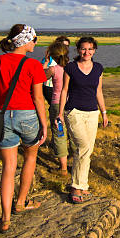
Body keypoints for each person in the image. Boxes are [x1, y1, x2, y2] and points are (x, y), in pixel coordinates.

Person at [0, 24, 48, 233]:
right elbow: (38, 98)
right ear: (25, 41)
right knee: (30, 157)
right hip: (28, 115)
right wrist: (44, 125)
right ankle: (20, 203)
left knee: (8, 167)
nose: (36, 43)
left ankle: (4, 218)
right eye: (34, 39)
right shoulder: (33, 65)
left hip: (3, 116)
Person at [58, 36, 108, 204]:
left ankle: (83, 185)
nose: (87, 52)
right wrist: (60, 113)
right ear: (78, 50)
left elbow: (99, 92)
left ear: (94, 51)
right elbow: (64, 90)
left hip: (92, 113)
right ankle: (75, 186)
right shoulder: (71, 67)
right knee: (83, 147)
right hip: (74, 111)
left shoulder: (98, 68)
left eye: (90, 49)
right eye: (83, 49)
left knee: (87, 150)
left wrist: (104, 112)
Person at [42, 41, 70, 176]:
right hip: (72, 104)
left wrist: (46, 62)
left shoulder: (54, 69)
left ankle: (63, 168)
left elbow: (38, 77)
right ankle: (76, 164)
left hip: (57, 104)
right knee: (74, 134)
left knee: (60, 135)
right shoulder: (73, 67)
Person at [41, 36, 70, 105]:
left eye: (67, 46)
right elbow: (41, 73)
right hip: (50, 87)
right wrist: (46, 62)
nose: (65, 48)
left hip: (61, 88)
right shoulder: (49, 58)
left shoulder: (66, 59)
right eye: (64, 45)